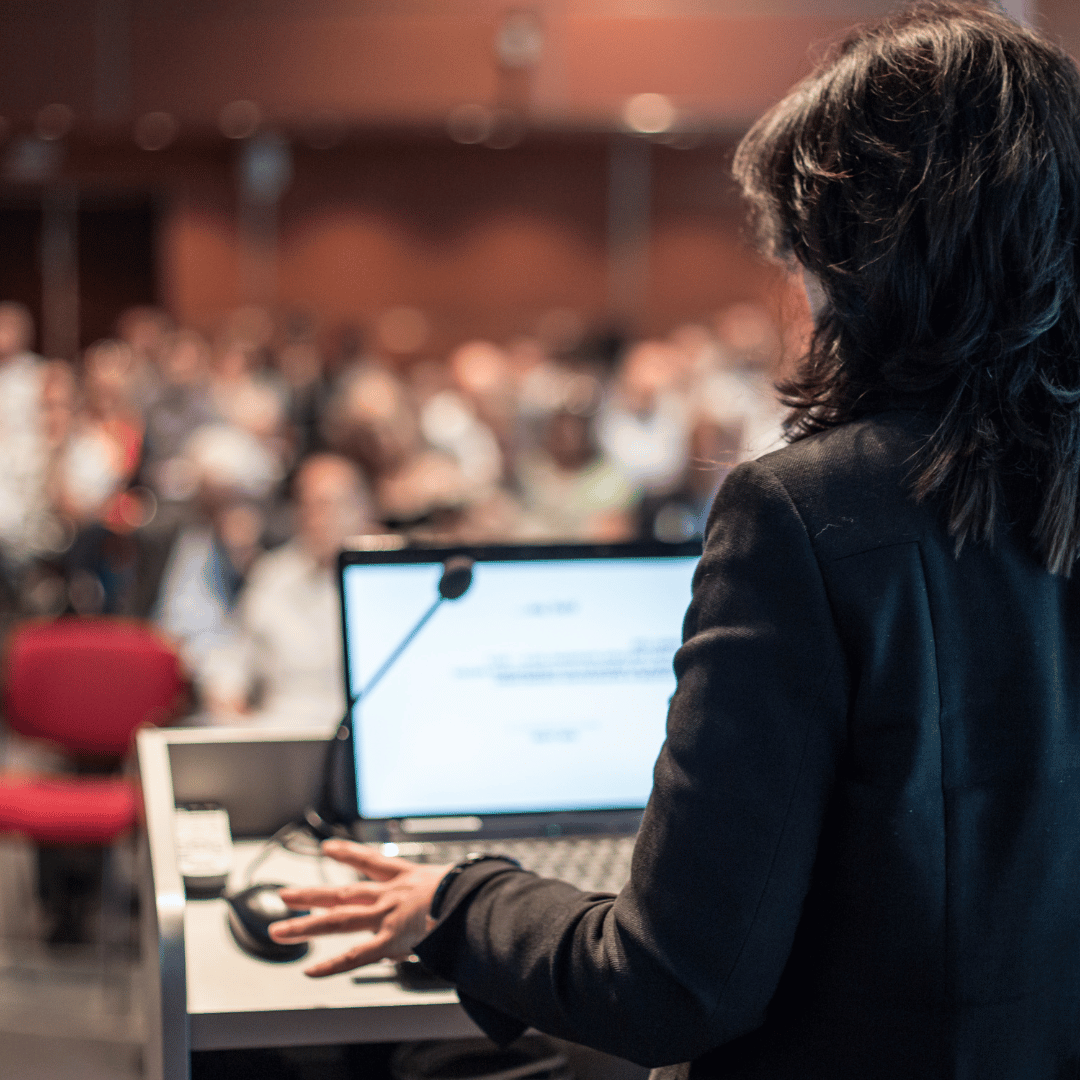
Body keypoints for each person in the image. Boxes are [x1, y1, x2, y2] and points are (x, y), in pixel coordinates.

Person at [269, 4, 1080, 1075]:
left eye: (803, 254)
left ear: (862, 265)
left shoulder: (804, 517)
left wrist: (460, 898)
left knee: (403, 1057)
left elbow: (671, 985)